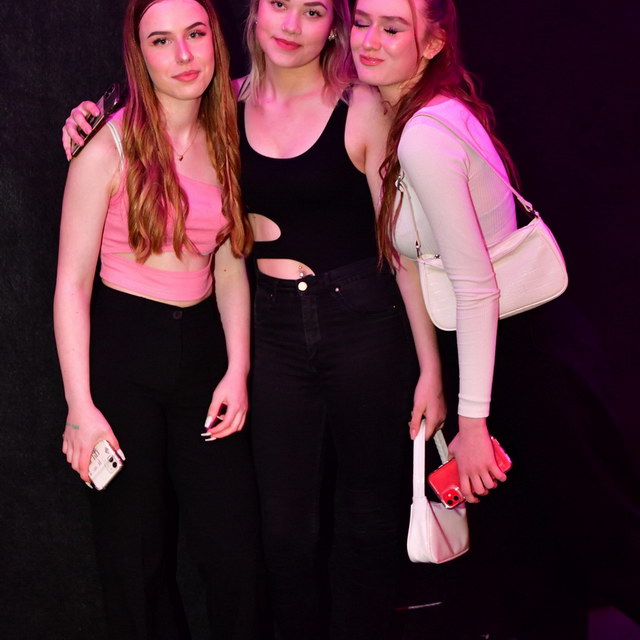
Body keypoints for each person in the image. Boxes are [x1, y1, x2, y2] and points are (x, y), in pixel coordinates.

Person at [62, 3, 445, 638]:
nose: (291, 25)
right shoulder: (204, 111)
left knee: (328, 529)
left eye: (312, 10)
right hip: (217, 337)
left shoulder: (324, 110)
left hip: (324, 328)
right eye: (278, 5)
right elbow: (154, 97)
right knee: (243, 538)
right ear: (253, 15)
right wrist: (93, 111)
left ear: (333, 23)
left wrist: (429, 367)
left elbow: (391, 249)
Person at [351, 0, 640, 638]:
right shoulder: (424, 111)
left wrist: (473, 421)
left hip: (523, 353)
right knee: (537, 561)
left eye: (392, 28)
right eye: (362, 21)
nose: (368, 40)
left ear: (432, 43)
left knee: (604, 539)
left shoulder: (424, 134)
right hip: (520, 349)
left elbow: (476, 287)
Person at [54, 1, 265, 638]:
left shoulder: (230, 135)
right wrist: (80, 408)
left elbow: (230, 266)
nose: (183, 55)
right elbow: (71, 286)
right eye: (162, 40)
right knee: (134, 558)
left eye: (195, 34)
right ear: (139, 54)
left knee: (235, 553)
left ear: (215, 40)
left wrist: (238, 369)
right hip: (125, 353)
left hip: (203, 353)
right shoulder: (106, 145)